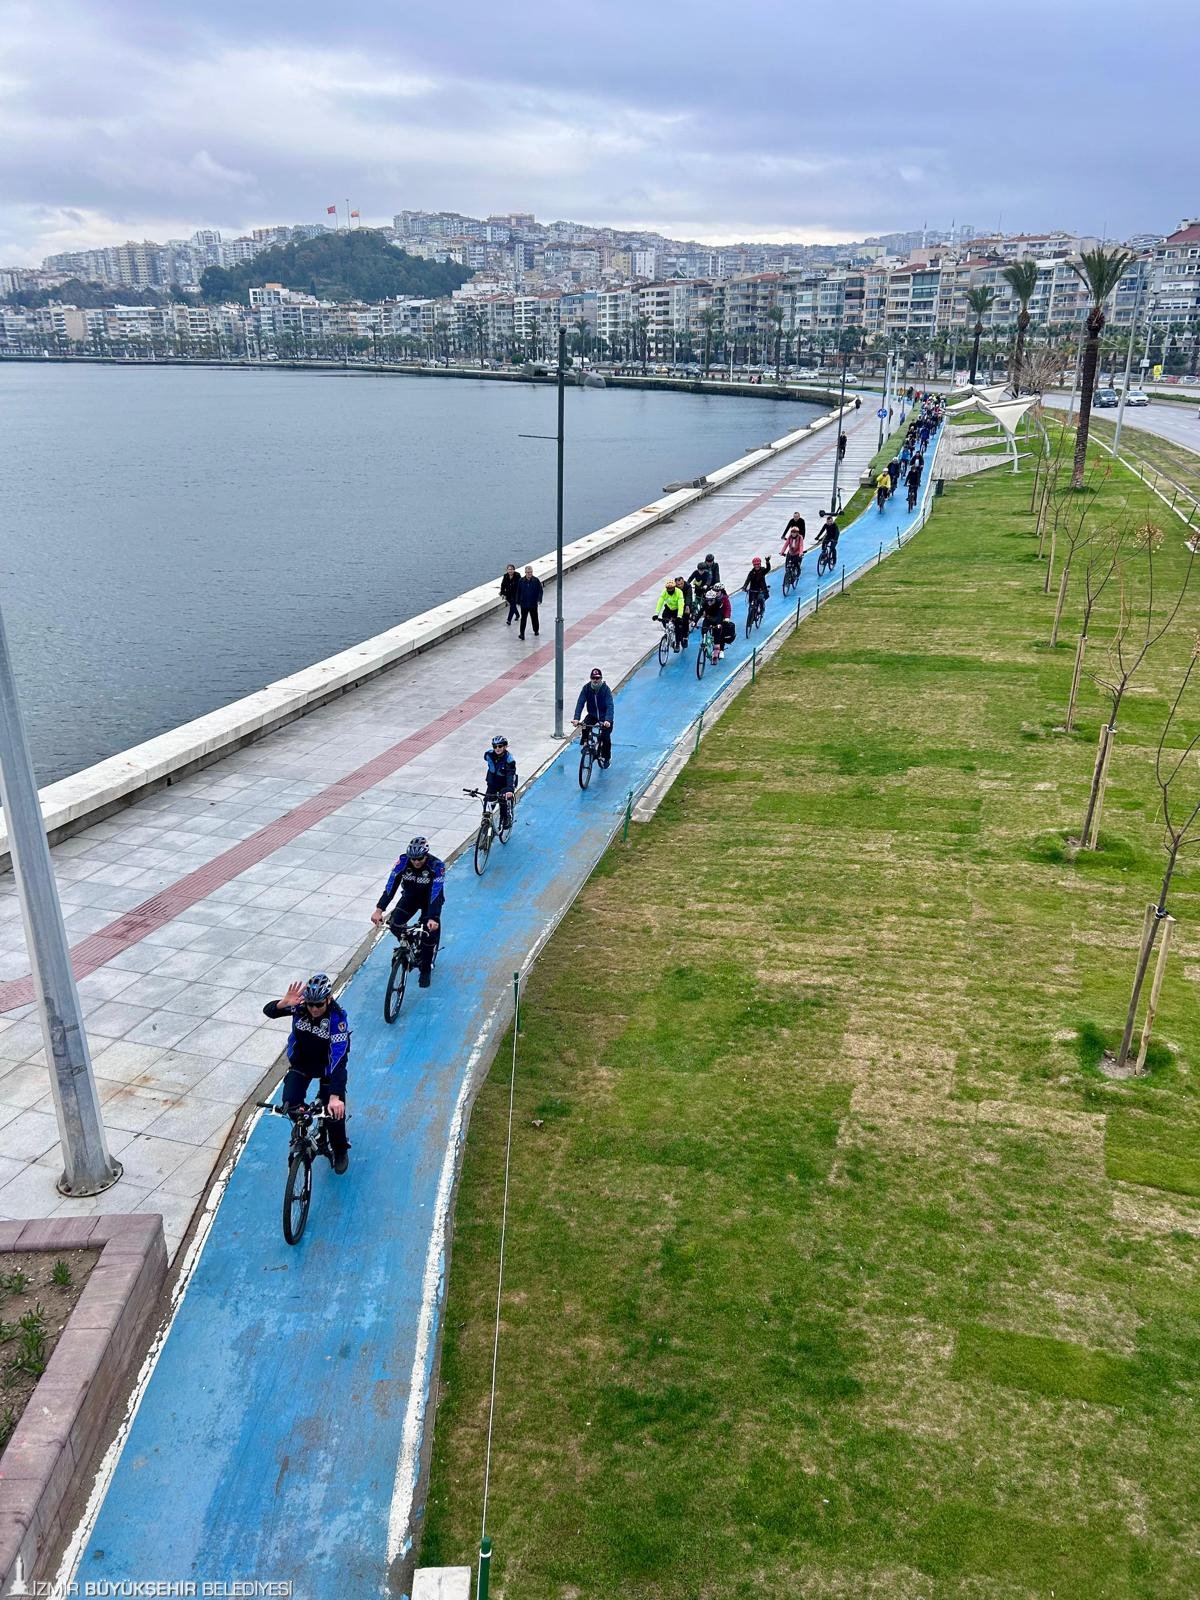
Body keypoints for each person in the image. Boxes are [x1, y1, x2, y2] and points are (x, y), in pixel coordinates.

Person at [262, 974, 351, 1173]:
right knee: (291, 1104)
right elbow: (268, 1012)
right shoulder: (299, 1007)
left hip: (329, 1068)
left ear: (328, 999)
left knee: (333, 1114)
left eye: (319, 1004)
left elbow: (338, 1059)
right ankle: (306, 1133)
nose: (314, 1009)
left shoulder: (337, 1019)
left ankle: (340, 1149)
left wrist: (335, 1097)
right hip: (302, 1065)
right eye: (310, 1004)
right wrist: (282, 1003)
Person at [371, 836, 445, 988]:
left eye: (420, 859)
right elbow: (391, 886)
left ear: (426, 855)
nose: (416, 862)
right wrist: (379, 909)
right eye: (413, 859)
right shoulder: (403, 862)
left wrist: (433, 918)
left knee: (428, 933)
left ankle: (425, 969)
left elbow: (436, 893)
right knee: (395, 924)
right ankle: (410, 944)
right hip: (410, 897)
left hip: (430, 900)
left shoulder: (436, 866)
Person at [573, 667, 614, 765]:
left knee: (605, 738)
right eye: (593, 678)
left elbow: (610, 705)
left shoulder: (605, 690)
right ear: (590, 678)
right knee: (584, 725)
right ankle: (585, 743)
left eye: (597, 678)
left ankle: (606, 757)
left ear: (601, 678)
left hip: (604, 717)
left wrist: (608, 720)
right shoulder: (586, 688)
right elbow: (580, 703)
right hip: (593, 715)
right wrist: (576, 718)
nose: (595, 680)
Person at [484, 734, 517, 829]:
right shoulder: (489, 755)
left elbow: (511, 775)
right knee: (487, 804)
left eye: (500, 746)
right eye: (495, 746)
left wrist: (510, 790)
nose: (497, 748)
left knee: (503, 801)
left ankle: (506, 819)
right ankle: (485, 828)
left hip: (505, 785)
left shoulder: (509, 760)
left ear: (505, 746)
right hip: (493, 784)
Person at [699, 586, 734, 658]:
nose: (716, 592)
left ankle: (720, 650)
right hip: (710, 618)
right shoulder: (709, 600)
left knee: (719, 632)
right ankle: (704, 642)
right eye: (715, 590)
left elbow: (726, 609)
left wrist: (726, 617)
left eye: (718, 591)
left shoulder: (723, 599)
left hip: (720, 617)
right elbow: (702, 610)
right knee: (704, 628)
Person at [654, 578, 689, 648]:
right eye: (668, 589)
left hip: (677, 609)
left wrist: (679, 616)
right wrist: (656, 614)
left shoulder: (679, 592)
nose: (669, 590)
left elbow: (681, 604)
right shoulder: (664, 592)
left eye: (671, 589)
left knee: (678, 626)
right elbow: (660, 602)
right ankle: (668, 633)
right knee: (664, 619)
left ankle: (678, 643)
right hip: (669, 608)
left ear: (674, 588)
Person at [516, 564, 542, 640]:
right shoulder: (521, 581)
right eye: (528, 572)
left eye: (530, 572)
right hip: (524, 603)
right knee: (523, 619)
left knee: (534, 618)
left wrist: (539, 599)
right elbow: (518, 591)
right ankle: (522, 634)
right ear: (525, 572)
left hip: (533, 603)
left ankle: (536, 630)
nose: (529, 573)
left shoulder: (536, 580)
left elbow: (540, 591)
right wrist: (517, 601)